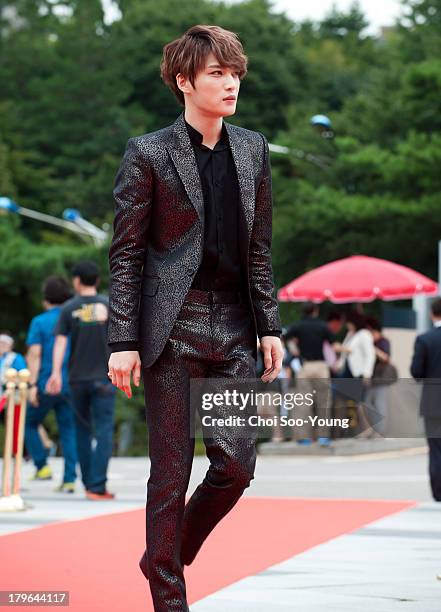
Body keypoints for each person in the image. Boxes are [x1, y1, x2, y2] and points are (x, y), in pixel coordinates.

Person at [107, 25, 283, 612]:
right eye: (216, 73)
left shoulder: (254, 149)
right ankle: (169, 598)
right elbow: (127, 254)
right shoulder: (150, 152)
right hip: (171, 328)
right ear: (185, 82)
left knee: (235, 466)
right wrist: (123, 340)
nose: (230, 83)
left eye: (235, 73)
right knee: (172, 468)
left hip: (235, 327)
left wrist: (270, 328)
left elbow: (259, 247)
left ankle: (164, 553)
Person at [46, 261, 116, 501]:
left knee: (82, 431)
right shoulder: (109, 305)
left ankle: (89, 484)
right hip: (105, 378)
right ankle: (97, 485)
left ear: (77, 280)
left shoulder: (69, 308)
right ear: (96, 280)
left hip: (77, 379)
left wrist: (55, 373)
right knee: (105, 430)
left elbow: (61, 342)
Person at [25, 276, 78, 490]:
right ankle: (69, 480)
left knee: (28, 422)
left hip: (47, 382)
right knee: (69, 430)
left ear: (45, 298)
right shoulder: (74, 319)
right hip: (71, 382)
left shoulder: (39, 321)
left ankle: (41, 465)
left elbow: (35, 355)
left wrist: (31, 385)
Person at [284, 303, 338, 446]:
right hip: (321, 367)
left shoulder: (298, 325)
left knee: (303, 403)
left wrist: (293, 347)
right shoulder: (322, 326)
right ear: (315, 310)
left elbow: (284, 337)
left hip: (305, 367)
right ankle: (323, 437)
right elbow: (334, 345)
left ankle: (303, 438)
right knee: (324, 402)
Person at [410, 297, 441, 502]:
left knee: (436, 449)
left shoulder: (425, 339)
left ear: (432, 313)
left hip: (433, 400)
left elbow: (416, 371)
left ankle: (439, 493)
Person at [336, 310, 376, 437]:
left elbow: (370, 355)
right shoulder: (350, 334)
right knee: (346, 401)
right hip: (347, 373)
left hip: (358, 373)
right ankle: (351, 429)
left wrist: (367, 373)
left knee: (360, 402)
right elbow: (345, 354)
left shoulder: (364, 334)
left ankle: (367, 429)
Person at [365, 316, 393, 437]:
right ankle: (374, 429)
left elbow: (386, 358)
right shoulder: (369, 341)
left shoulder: (383, 342)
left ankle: (380, 432)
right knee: (367, 403)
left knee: (380, 403)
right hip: (371, 378)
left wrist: (373, 349)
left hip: (381, 378)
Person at [0, 332, 27, 456]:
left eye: (5, 343)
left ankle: (17, 452)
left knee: (15, 424)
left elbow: (23, 375)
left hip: (11, 395)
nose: (2, 345)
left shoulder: (15, 358)